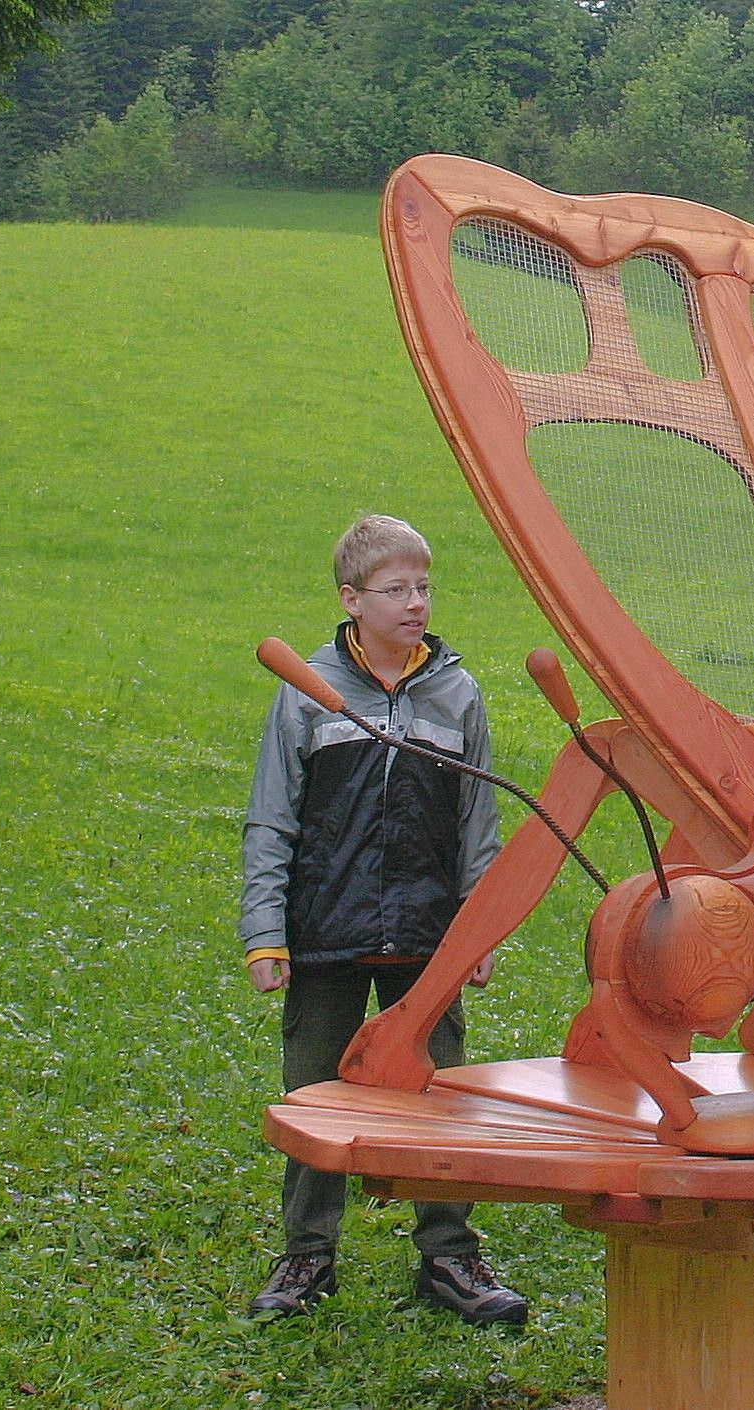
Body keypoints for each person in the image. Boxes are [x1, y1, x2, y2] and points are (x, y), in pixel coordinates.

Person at [236, 513, 526, 1325]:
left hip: (429, 943)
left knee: (439, 1095)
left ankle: (450, 1259)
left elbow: (478, 823)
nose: (416, 603)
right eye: (396, 590)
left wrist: (480, 930)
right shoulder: (308, 690)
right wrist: (266, 931)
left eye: (424, 587)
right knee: (316, 1096)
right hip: (325, 936)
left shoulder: (456, 692)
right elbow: (272, 820)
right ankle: (305, 1259)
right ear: (352, 599)